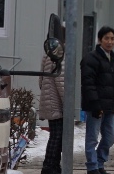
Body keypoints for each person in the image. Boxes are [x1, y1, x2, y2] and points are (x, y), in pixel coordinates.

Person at [82, 26, 114, 174]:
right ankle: (92, 166)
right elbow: (88, 84)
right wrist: (95, 104)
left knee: (110, 137)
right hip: (96, 106)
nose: (110, 42)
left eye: (112, 38)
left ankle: (100, 162)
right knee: (92, 138)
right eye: (106, 38)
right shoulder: (90, 59)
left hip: (110, 107)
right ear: (100, 40)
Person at [39, 33, 67, 174]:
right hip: (56, 102)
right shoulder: (59, 56)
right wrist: (68, 103)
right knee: (57, 136)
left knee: (55, 135)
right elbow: (61, 82)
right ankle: (50, 166)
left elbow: (40, 80)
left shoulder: (48, 55)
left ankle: (52, 165)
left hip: (49, 99)